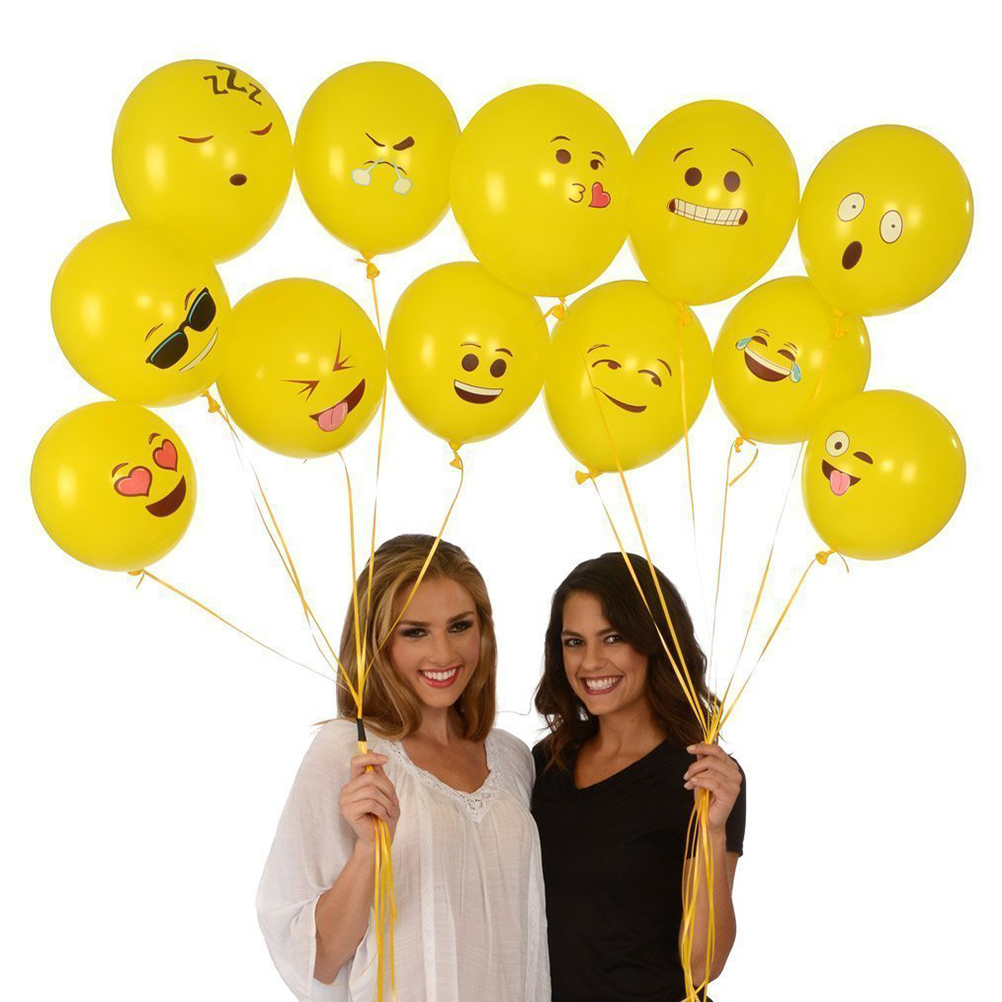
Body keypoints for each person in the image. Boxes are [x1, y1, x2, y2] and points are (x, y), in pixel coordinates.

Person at [256, 534, 550, 1001]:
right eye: (415, 632)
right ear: (377, 642)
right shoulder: (349, 752)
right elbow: (319, 959)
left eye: (460, 626)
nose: (444, 654)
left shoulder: (514, 758)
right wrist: (369, 850)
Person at [531, 552, 745, 1001]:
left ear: (653, 643)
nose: (590, 662)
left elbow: (702, 965)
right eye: (574, 642)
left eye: (613, 638)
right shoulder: (548, 762)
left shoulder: (701, 775)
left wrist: (712, 831)